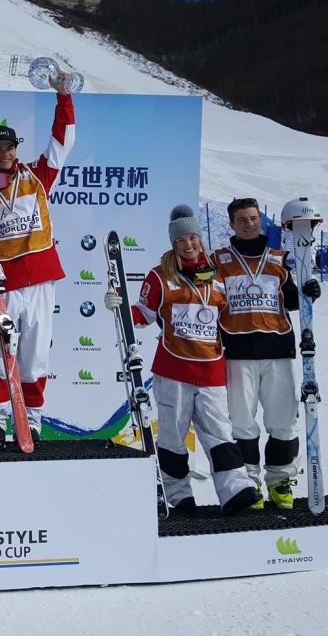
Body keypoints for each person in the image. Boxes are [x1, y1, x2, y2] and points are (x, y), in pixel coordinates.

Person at [104, 205, 261, 515]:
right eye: (181, 241)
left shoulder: (219, 276)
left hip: (212, 369)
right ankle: (179, 495)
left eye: (193, 238)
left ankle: (236, 490)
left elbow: (231, 318)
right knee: (174, 436)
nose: (189, 245)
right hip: (173, 370)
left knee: (220, 433)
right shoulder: (161, 277)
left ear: (200, 239)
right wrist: (119, 306)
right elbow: (144, 315)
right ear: (173, 244)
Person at [0, 75, 75, 449]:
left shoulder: (37, 177)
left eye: (10, 147)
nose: (5, 154)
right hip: (3, 283)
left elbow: (62, 142)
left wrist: (64, 98)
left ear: (16, 148)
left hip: (42, 279)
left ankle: (32, 419)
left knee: (35, 355)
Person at [213, 197, 321, 510]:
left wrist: (309, 291)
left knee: (283, 421)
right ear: (232, 224)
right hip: (237, 352)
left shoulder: (280, 258)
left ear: (260, 220)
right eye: (242, 220)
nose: (249, 225)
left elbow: (294, 301)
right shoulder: (218, 260)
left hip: (278, 350)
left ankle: (280, 481)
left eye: (254, 218)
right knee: (242, 423)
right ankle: (249, 484)